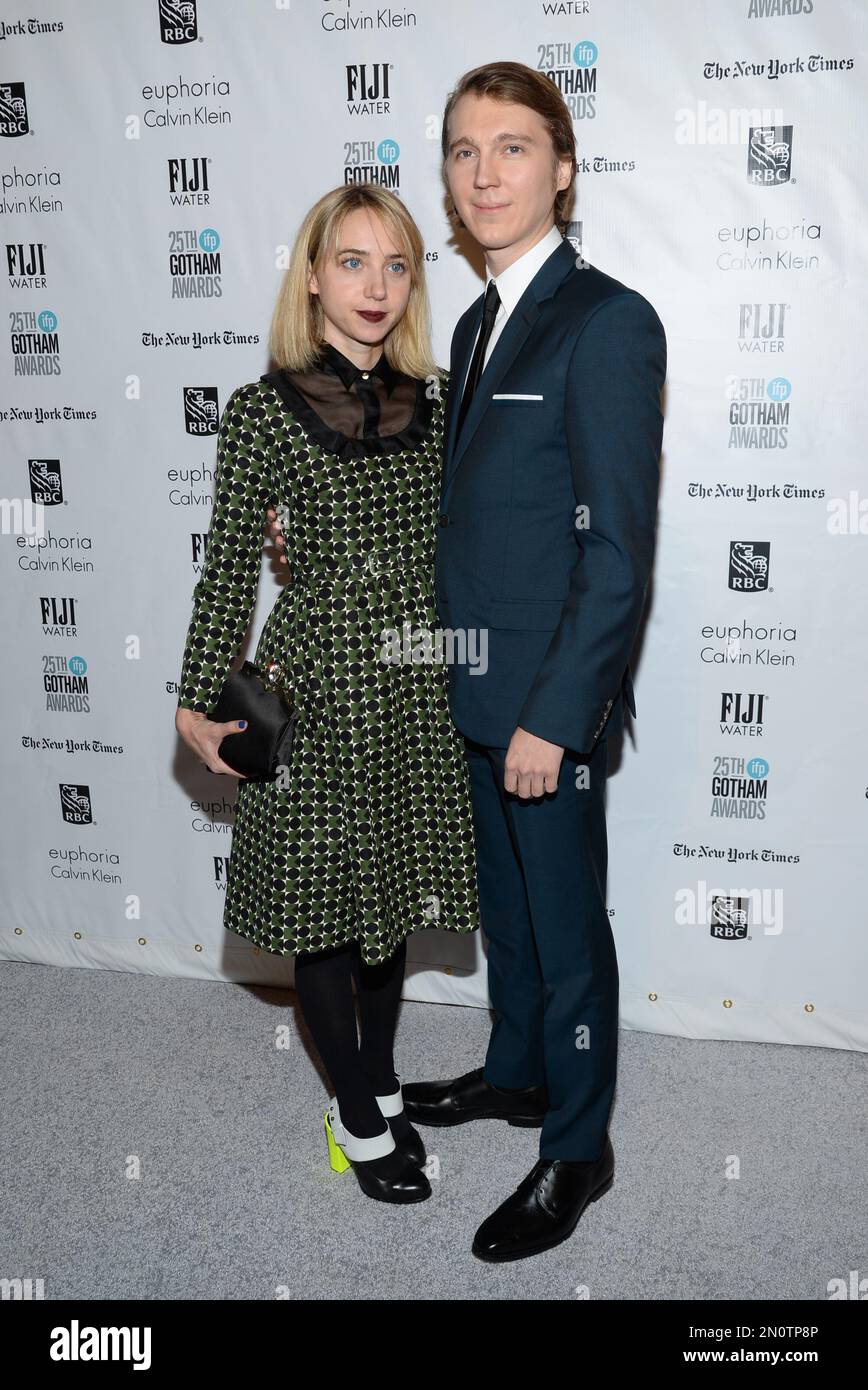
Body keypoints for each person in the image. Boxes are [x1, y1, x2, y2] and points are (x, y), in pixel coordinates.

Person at [269, 59, 667, 1263]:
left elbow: (615, 557)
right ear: (444, 178)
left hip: (545, 704)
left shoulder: (607, 322)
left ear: (561, 166)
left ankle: (579, 1145)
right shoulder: (479, 324)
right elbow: (443, 517)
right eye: (461, 149)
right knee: (506, 914)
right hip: (464, 689)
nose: (484, 171)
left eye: (510, 146)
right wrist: (310, 529)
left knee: (565, 924)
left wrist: (557, 714)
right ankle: (516, 1074)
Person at [175, 183, 480, 1205]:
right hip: (313, 681)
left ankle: (379, 1080)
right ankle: (353, 1115)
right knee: (320, 916)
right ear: (311, 276)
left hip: (410, 679)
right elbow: (226, 567)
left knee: (385, 906)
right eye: (352, 262)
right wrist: (194, 698)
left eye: (396, 265)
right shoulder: (261, 410)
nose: (375, 286)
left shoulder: (436, 404)